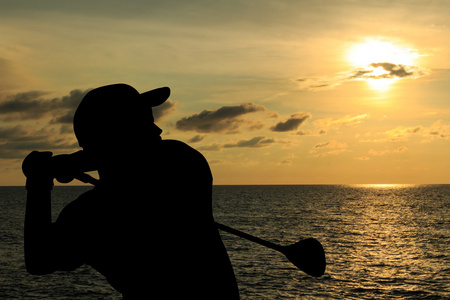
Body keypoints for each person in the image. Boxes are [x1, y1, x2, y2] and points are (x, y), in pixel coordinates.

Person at [23, 84, 240, 299]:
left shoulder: (90, 213)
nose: (158, 130)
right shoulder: (186, 166)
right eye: (144, 122)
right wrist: (71, 163)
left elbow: (39, 260)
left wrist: (39, 182)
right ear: (123, 131)